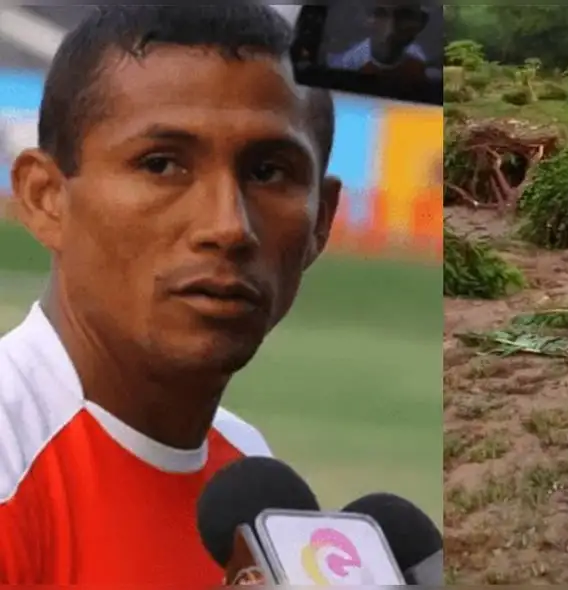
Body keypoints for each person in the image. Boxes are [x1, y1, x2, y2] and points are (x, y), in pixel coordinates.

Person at [0, 5, 339, 584]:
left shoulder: (251, 477)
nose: (228, 226)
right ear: (44, 198)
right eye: (161, 165)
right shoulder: (11, 463)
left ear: (321, 223)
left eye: (268, 173)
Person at [329, 1, 430, 83]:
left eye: (404, 16)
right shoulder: (343, 68)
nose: (390, 31)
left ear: (421, 22)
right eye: (380, 14)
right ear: (366, 18)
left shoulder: (420, 62)